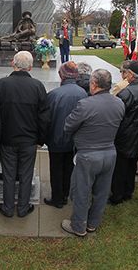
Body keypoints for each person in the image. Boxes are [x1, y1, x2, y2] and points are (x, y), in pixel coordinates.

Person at [61, 69, 125, 236]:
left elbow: (68, 126)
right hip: (110, 153)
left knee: (82, 192)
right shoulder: (119, 103)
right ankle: (93, 223)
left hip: (88, 155)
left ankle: (78, 226)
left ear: (94, 84)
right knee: (102, 192)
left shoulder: (86, 104)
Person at [0, 51, 49, 218]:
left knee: (8, 175)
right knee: (26, 174)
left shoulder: (1, 84)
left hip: (8, 139)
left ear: (13, 64)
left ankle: (8, 208)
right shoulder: (37, 86)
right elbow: (44, 118)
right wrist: (41, 140)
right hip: (29, 140)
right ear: (30, 67)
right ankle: (23, 208)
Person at [44, 61, 87, 208]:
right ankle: (65, 194)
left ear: (61, 75)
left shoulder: (53, 94)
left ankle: (57, 198)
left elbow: (46, 119)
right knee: (69, 168)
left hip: (56, 139)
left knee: (56, 169)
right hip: (74, 140)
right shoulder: (83, 93)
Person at [110, 61, 138, 205]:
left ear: (132, 75)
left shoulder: (126, 93)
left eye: (126, 73)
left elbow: (117, 115)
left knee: (120, 168)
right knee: (132, 165)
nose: (124, 76)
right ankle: (128, 191)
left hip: (125, 136)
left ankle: (117, 195)